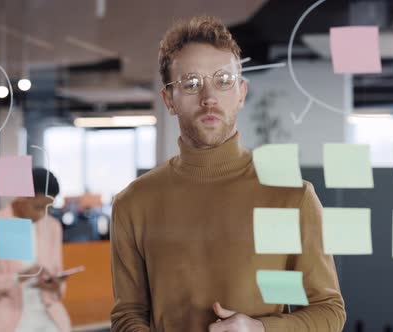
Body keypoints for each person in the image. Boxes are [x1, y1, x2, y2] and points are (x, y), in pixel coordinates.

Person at [110, 16, 346, 331]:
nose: (209, 97)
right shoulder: (134, 203)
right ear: (169, 100)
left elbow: (328, 311)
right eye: (191, 83)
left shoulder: (291, 197)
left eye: (223, 80)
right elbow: (128, 315)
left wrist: (260, 329)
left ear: (241, 93)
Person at [0, 168, 71, 332]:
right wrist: (15, 278)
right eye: (38, 207)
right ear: (22, 197)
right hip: (4, 319)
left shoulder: (52, 227)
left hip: (48, 317)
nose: (43, 215)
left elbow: (58, 276)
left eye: (48, 208)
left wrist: (55, 285)